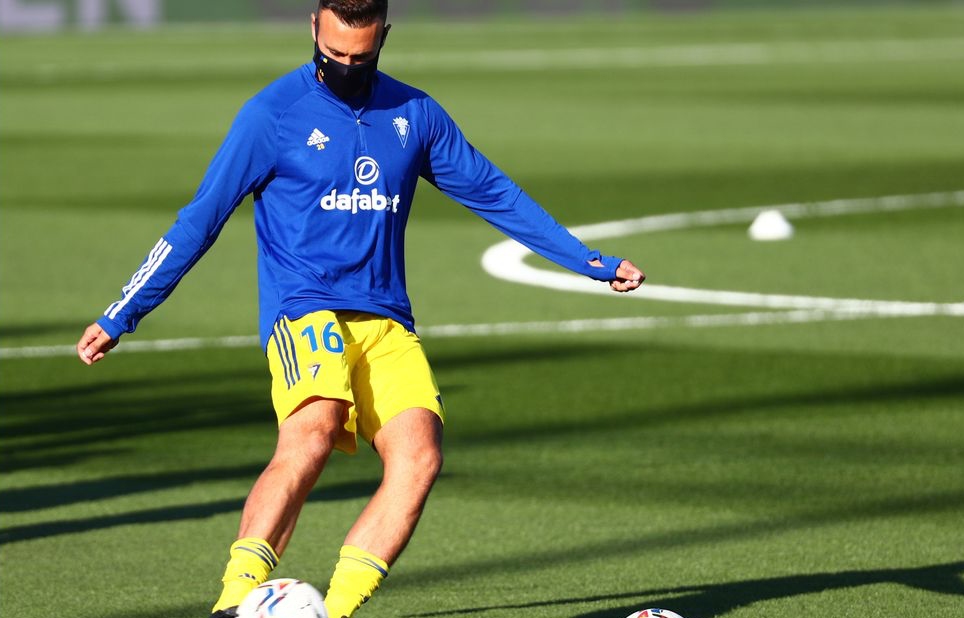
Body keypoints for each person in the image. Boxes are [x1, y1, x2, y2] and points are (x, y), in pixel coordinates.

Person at [75, 1, 645, 617]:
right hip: (304, 308)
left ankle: (337, 611)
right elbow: (199, 220)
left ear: (384, 39)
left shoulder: (414, 113)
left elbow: (495, 193)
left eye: (362, 57)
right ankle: (234, 602)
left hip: (386, 319)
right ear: (313, 30)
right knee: (314, 433)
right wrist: (121, 313)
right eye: (334, 55)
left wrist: (590, 261)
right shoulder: (272, 116)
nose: (346, 67)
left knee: (421, 456)